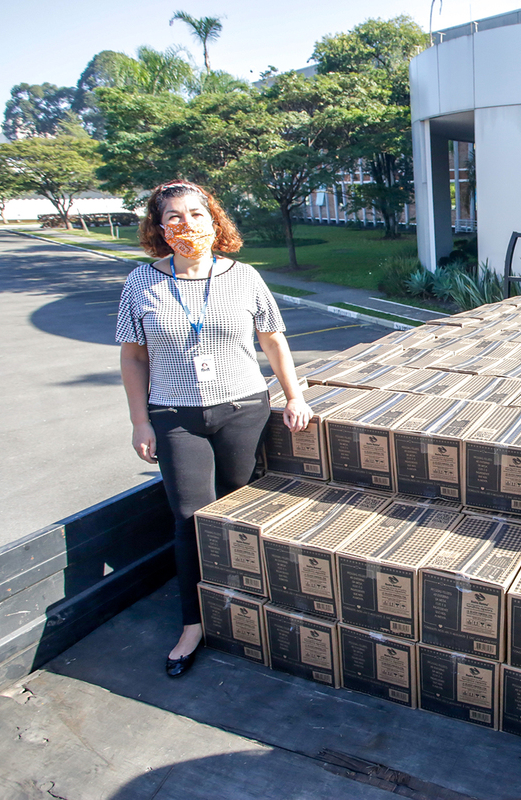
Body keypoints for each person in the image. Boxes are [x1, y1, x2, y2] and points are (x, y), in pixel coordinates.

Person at [116, 180, 312, 678]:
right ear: (160, 230)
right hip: (174, 415)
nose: (187, 225)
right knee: (188, 517)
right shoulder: (142, 282)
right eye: (174, 218)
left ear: (213, 220)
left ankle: (245, 607)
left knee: (238, 507)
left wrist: (294, 395)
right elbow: (134, 357)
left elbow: (273, 341)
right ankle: (193, 623)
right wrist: (140, 420)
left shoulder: (243, 277)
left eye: (196, 215)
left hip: (241, 408)